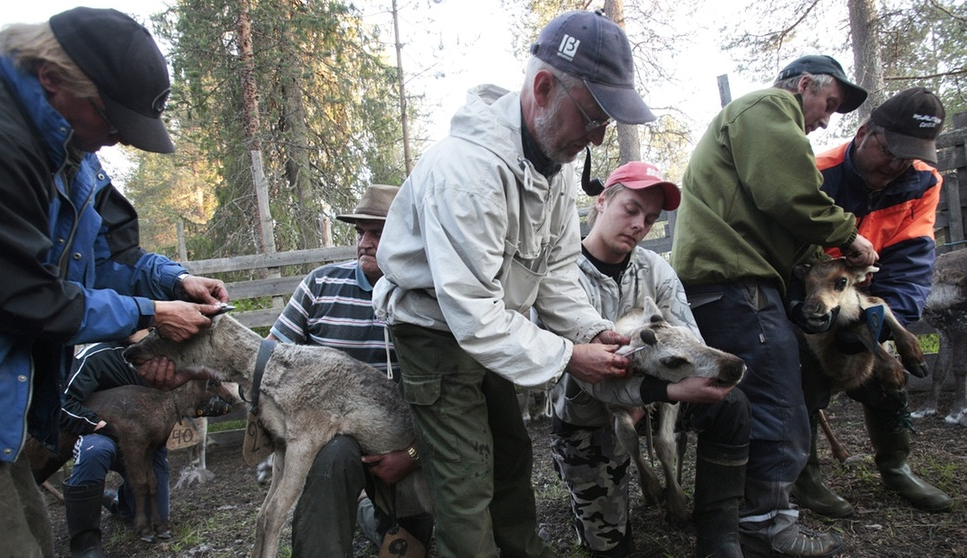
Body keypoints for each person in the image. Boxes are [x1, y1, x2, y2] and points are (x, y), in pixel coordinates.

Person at [371, 10, 653, 557]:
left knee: (510, 456)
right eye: (593, 118)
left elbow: (554, 273)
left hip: (494, 329)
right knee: (465, 478)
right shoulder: (468, 172)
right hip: (436, 332)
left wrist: (593, 332)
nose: (597, 136)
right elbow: (472, 313)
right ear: (544, 88)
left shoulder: (555, 162)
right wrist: (571, 356)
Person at [0, 8, 229, 558]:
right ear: (52, 78)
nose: (118, 138)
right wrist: (148, 313)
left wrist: (174, 281)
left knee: (37, 539)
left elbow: (106, 256)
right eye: (112, 118)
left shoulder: (72, 157)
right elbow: (24, 294)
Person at [670, 54, 877, 557]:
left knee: (735, 410)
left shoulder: (748, 128)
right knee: (779, 409)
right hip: (740, 287)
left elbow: (775, 218)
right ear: (804, 85)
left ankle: (728, 529)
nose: (827, 119)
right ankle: (766, 529)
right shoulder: (767, 107)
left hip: (721, 287)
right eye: (827, 104)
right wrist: (849, 237)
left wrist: (816, 259)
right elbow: (791, 196)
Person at [549, 161, 751, 558]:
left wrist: (664, 394)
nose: (640, 224)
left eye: (651, 218)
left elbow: (691, 341)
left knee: (732, 404)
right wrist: (661, 390)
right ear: (602, 201)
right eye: (631, 209)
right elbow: (589, 374)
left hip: (662, 396)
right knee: (608, 545)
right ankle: (585, 470)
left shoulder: (655, 269)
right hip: (589, 412)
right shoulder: (561, 274)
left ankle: (718, 533)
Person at [793, 87, 951, 517]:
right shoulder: (815, 172)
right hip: (811, 305)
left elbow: (912, 261)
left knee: (888, 374)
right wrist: (820, 324)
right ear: (864, 133)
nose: (897, 165)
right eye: (891, 151)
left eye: (910, 155)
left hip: (866, 305)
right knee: (796, 377)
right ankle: (805, 476)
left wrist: (873, 329)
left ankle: (896, 465)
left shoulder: (922, 182)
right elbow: (789, 260)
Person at [266, 184, 433, 557]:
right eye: (360, 233)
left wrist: (412, 455)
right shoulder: (321, 286)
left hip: (404, 437)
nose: (364, 243)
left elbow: (450, 395)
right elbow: (272, 358)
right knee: (335, 458)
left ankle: (367, 510)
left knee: (410, 544)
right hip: (330, 435)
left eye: (378, 233)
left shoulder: (428, 298)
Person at [60, 329, 230, 555]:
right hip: (102, 437)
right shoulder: (96, 355)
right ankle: (85, 541)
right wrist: (102, 426)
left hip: (148, 443)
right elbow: (62, 403)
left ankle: (119, 503)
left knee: (154, 513)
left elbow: (183, 399)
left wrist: (200, 406)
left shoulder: (167, 357)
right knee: (94, 451)